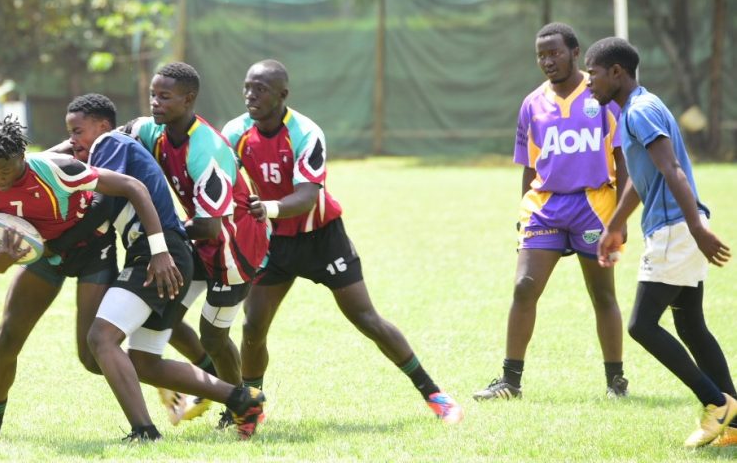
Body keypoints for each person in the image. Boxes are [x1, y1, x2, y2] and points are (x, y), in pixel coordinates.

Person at [221, 59, 462, 423]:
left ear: (283, 95)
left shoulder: (305, 132)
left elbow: (307, 196)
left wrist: (265, 207)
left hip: (322, 238)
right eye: (247, 86)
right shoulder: (236, 132)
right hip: (274, 241)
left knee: (365, 318)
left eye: (261, 89)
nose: (251, 95)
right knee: (253, 327)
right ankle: (250, 407)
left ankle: (435, 395)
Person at [57, 93, 266, 442]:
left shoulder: (110, 144)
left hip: (158, 255)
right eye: (69, 134)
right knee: (145, 362)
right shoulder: (114, 143)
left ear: (103, 127)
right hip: (169, 253)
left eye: (78, 131)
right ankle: (243, 399)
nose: (72, 141)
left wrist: (55, 240)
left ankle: (144, 431)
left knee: (101, 337)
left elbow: (100, 206)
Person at [0, 116, 183, 443]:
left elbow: (133, 187)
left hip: (92, 252)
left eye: (6, 169)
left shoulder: (58, 170)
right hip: (43, 258)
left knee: (93, 355)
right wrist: (2, 260)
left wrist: (159, 250)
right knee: (6, 339)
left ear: (22, 156)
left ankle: (170, 383)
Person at [587, 37, 736, 448]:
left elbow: (672, 169)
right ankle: (736, 421)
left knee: (641, 325)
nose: (588, 83)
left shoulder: (640, 109)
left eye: (592, 74)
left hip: (675, 229)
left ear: (616, 72)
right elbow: (642, 175)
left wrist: (696, 228)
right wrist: (615, 225)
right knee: (691, 325)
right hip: (674, 228)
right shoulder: (633, 111)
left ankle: (715, 403)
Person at [473, 23, 629, 401]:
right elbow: (529, 165)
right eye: (541, 55)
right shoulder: (532, 104)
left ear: (575, 53)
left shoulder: (602, 99)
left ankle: (615, 382)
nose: (547, 61)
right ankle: (511, 381)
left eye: (555, 53)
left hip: (595, 207)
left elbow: (622, 159)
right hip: (545, 208)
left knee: (602, 295)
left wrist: (620, 220)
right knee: (524, 288)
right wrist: (523, 211)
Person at [125, 63, 270, 428]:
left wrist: (159, 235)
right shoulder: (153, 129)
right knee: (163, 310)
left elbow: (208, 226)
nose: (155, 102)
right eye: (153, 95)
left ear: (189, 99)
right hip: (199, 241)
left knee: (214, 336)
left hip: (233, 249)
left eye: (165, 96)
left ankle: (241, 407)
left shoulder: (206, 148)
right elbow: (115, 136)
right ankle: (212, 388)